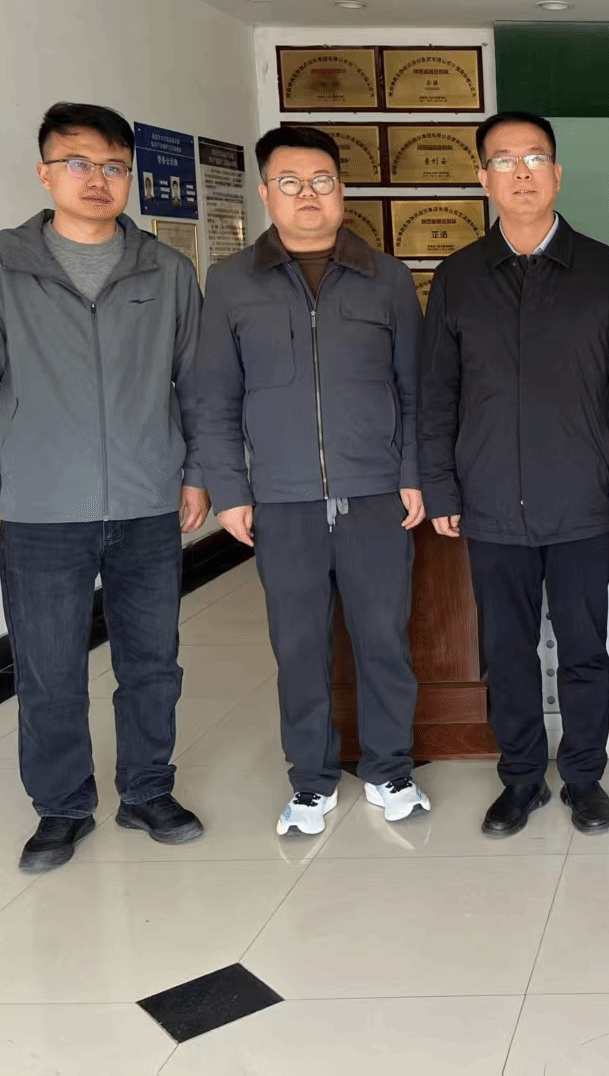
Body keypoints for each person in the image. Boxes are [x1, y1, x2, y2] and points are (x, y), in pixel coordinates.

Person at [0, 101, 210, 871]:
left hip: (147, 501)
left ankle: (148, 789)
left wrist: (196, 474)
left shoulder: (166, 270)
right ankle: (61, 807)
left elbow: (196, 385)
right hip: (39, 508)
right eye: (78, 162)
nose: (98, 179)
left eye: (115, 166)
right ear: (45, 172)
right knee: (49, 668)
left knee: (152, 661)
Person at [195, 126, 429, 837]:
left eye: (322, 181)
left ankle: (390, 769)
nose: (308, 195)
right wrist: (231, 490)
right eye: (291, 183)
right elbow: (213, 397)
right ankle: (311, 780)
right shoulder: (231, 282)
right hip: (282, 497)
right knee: (298, 645)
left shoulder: (387, 277)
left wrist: (414, 474)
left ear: (341, 191)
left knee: (383, 638)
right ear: (266, 192)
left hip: (377, 492)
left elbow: (416, 388)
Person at [419, 112, 609, 838]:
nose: (521, 173)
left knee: (583, 650)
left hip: (583, 499)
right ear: (482, 179)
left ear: (558, 174)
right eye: (504, 160)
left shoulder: (606, 273)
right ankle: (520, 778)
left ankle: (583, 778)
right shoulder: (459, 278)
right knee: (507, 653)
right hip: (490, 503)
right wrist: (442, 486)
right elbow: (437, 393)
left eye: (535, 158)